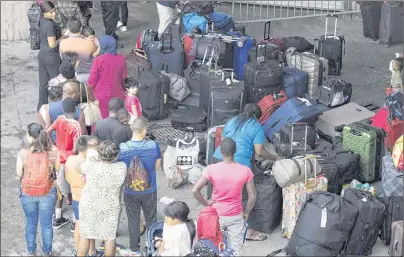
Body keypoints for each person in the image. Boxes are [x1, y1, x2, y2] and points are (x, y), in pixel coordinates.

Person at [193, 138, 257, 255]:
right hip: (235, 215)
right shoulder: (245, 171)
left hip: (216, 216)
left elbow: (195, 190)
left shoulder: (211, 169)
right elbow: (252, 196)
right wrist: (246, 212)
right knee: (236, 249)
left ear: (221, 151)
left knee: (214, 245)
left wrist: (206, 204)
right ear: (235, 151)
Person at [118, 117, 162, 256]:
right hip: (149, 189)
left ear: (132, 129)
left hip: (131, 191)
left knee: (133, 219)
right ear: (145, 130)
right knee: (151, 218)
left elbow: (120, 169)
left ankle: (134, 249)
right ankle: (152, 246)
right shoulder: (153, 146)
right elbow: (157, 167)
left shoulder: (122, 147)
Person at [77, 140, 127, 257]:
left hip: (89, 205)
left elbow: (78, 167)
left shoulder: (91, 166)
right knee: (109, 237)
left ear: (99, 154)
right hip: (110, 206)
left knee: (85, 236)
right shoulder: (122, 167)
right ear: (116, 155)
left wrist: (91, 160)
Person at [17, 123, 59, 257]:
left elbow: (19, 173)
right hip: (48, 191)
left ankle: (31, 250)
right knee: (46, 225)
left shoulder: (23, 153)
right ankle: (47, 251)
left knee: (31, 222)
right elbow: (57, 169)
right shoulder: (53, 151)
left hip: (28, 192)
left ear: (30, 137)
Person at [46, 97, 83, 229]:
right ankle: (74, 221)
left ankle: (57, 217)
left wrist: (55, 146)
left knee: (60, 188)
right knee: (74, 188)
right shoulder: (76, 126)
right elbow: (75, 148)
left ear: (63, 109)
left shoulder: (59, 119)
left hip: (59, 159)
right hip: (71, 161)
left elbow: (47, 132)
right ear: (75, 109)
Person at [213, 104, 279, 168]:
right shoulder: (257, 126)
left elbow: (223, 139)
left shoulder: (232, 120)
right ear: (257, 117)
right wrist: (274, 157)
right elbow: (259, 151)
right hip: (239, 164)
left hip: (218, 159)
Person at [65, 135, 100, 256]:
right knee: (91, 226)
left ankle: (77, 249)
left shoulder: (70, 159)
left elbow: (67, 178)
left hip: (75, 197)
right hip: (88, 198)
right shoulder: (88, 163)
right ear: (87, 149)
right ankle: (92, 251)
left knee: (79, 224)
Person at [87, 35, 127, 119]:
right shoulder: (121, 59)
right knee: (117, 118)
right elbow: (123, 78)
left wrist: (90, 95)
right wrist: (124, 90)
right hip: (117, 94)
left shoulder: (98, 60)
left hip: (101, 96)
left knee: (101, 118)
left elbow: (91, 82)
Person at [37, 1, 62, 112]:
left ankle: (41, 108)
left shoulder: (41, 21)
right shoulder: (50, 25)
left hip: (42, 55)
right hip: (52, 57)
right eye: (51, 12)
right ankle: (56, 109)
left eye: (54, 11)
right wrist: (63, 37)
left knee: (43, 84)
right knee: (56, 83)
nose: (54, 14)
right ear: (44, 13)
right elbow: (52, 44)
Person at [60, 19, 97, 83]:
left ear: (68, 30)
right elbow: (95, 58)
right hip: (88, 74)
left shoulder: (62, 43)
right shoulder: (90, 43)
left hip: (71, 75)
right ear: (80, 29)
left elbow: (62, 58)